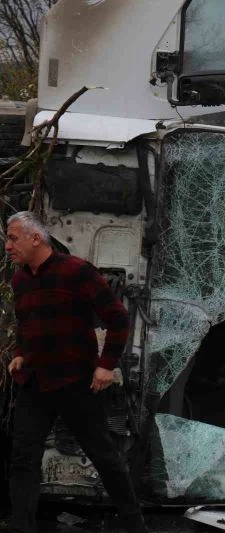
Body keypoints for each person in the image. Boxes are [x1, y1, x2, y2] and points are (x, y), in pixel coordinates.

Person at [4, 211, 148, 533]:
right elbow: (26, 327)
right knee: (23, 459)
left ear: (35, 238)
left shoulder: (77, 272)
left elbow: (118, 318)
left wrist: (106, 365)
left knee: (104, 456)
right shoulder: (20, 280)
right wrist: (20, 355)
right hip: (35, 384)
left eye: (13, 238)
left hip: (74, 384)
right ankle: (21, 527)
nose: (8, 246)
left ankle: (135, 525)